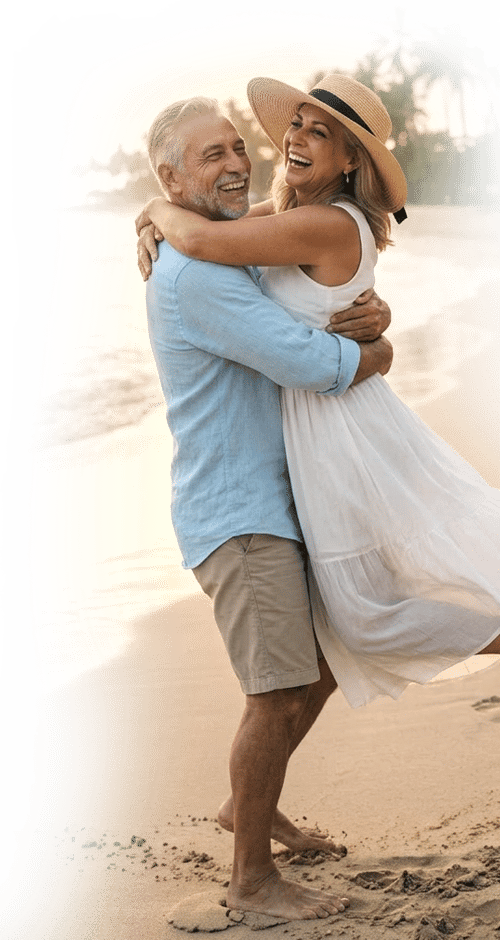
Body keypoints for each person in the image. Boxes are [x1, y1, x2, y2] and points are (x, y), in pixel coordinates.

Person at [137, 72, 500, 714]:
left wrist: (156, 209)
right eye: (297, 125)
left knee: (378, 610)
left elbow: (202, 240)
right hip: (324, 425)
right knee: (371, 609)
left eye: (321, 133)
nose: (297, 138)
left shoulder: (326, 222)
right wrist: (163, 210)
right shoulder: (289, 216)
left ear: (351, 159)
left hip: (341, 427)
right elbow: (222, 237)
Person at [139, 93, 395, 921]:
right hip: (241, 513)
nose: (235, 164)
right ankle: (251, 881)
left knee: (317, 667)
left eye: (235, 147)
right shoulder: (196, 277)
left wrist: (371, 311)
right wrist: (380, 348)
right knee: (278, 692)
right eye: (209, 156)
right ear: (170, 178)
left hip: (282, 501)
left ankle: (245, 807)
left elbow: (304, 294)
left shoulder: (227, 251)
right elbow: (312, 362)